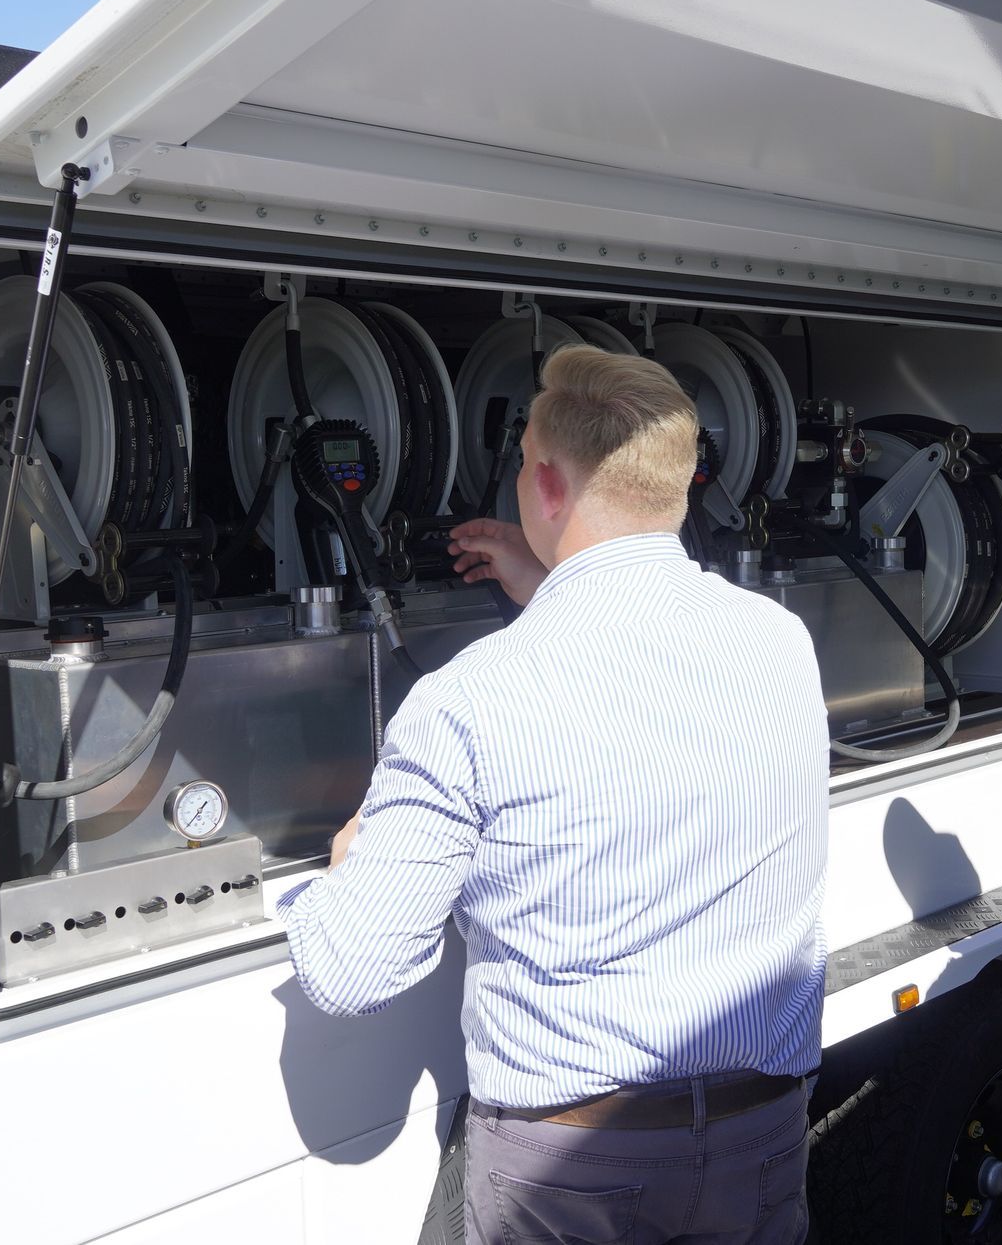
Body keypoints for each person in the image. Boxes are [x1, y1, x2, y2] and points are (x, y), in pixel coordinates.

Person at [280, 343, 831, 1245]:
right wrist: (546, 586)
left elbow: (349, 973)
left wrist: (345, 873)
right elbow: (642, 702)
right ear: (685, 477)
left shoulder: (470, 699)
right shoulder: (779, 640)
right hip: (758, 1140)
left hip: (574, 1178)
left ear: (542, 479)